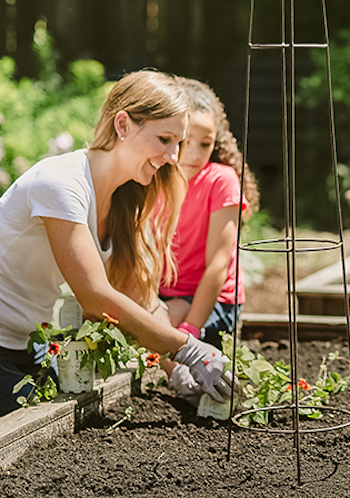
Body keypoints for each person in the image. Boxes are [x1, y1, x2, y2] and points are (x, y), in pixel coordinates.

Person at [0, 69, 233, 417]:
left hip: (25, 344)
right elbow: (95, 296)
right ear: (122, 125)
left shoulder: (124, 199)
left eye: (179, 143)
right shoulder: (61, 183)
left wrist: (174, 371)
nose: (174, 156)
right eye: (164, 139)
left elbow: (138, 293)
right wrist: (188, 348)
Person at [157, 77, 259, 353]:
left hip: (213, 303)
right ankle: (181, 378)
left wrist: (189, 330)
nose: (193, 153)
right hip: (162, 297)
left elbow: (218, 264)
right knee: (148, 318)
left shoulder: (221, 181)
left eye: (205, 144)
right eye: (185, 141)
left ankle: (188, 376)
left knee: (163, 320)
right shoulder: (154, 177)